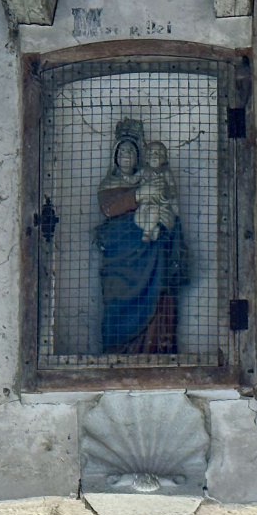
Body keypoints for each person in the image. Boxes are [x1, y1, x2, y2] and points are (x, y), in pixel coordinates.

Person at [95, 120, 187, 354]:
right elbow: (109, 210)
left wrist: (168, 221)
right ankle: (118, 353)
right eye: (122, 151)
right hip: (121, 262)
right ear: (115, 156)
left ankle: (155, 352)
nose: (126, 156)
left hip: (153, 261)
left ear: (139, 157)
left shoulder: (150, 178)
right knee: (116, 300)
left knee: (160, 295)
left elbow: (170, 206)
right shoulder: (108, 185)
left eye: (131, 151)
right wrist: (138, 195)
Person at [134, 140, 178, 243]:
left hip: (159, 203)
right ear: (146, 158)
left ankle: (147, 233)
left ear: (164, 158)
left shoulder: (165, 172)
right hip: (144, 204)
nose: (154, 156)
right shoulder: (143, 171)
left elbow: (172, 186)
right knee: (137, 219)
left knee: (154, 213)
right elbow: (133, 179)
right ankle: (153, 230)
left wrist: (172, 194)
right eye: (151, 153)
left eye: (158, 153)